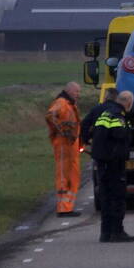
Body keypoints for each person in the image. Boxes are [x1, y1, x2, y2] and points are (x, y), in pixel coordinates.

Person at [88, 90, 134, 243]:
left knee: (106, 198)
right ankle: (117, 232)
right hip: (114, 163)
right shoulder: (119, 116)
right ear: (128, 102)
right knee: (118, 197)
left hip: (102, 162)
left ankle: (105, 233)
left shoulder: (105, 114)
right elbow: (120, 136)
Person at [45, 81, 82, 217]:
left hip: (70, 145)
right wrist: (62, 130)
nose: (78, 94)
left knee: (72, 175)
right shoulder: (61, 103)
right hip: (63, 145)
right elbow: (51, 115)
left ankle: (67, 207)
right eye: (76, 91)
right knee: (64, 175)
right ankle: (63, 208)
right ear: (69, 91)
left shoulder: (69, 104)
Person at [81, 87, 119, 213]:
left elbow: (84, 124)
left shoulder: (96, 109)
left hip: (100, 150)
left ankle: (105, 205)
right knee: (116, 179)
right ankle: (115, 204)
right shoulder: (118, 111)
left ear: (106, 97)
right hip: (116, 151)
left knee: (102, 180)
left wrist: (86, 139)